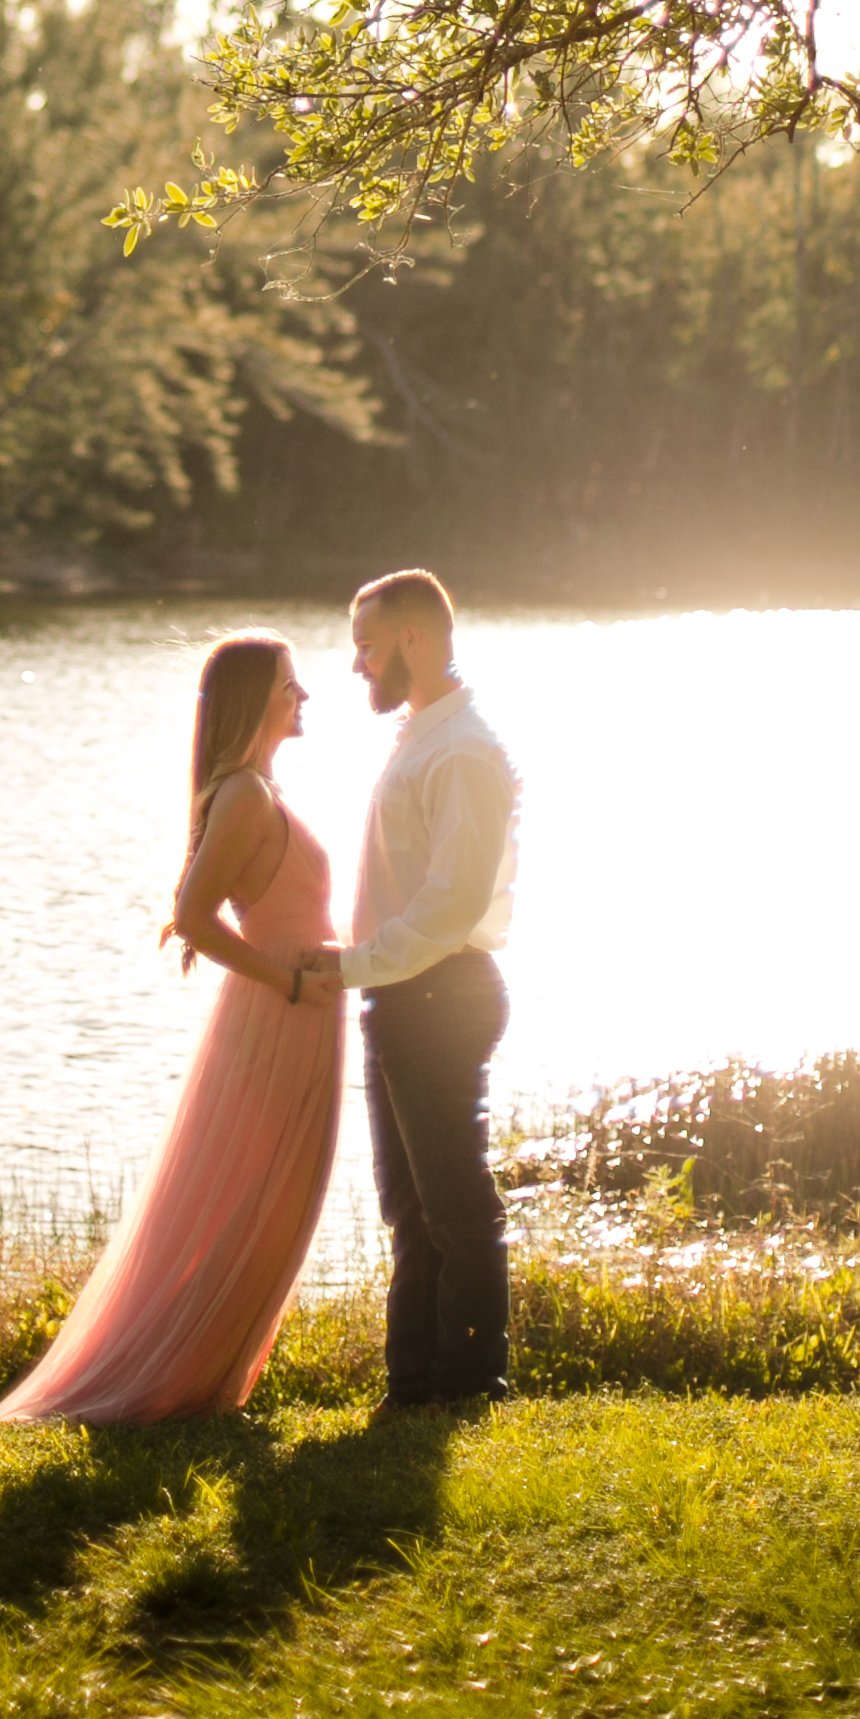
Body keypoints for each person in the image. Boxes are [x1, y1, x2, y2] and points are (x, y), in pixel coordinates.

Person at [0, 633, 342, 1424]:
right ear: (256, 701)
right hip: (277, 1012)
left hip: (303, 1010)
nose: (304, 696)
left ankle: (210, 1384)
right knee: (263, 1199)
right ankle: (175, 1382)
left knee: (280, 1198)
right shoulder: (245, 795)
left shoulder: (262, 791)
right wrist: (287, 980)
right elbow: (191, 916)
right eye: (291, 685)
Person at [305, 568, 519, 1416]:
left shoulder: (460, 750)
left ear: (411, 640)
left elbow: (450, 904)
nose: (355, 663)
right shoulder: (421, 737)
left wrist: (349, 964)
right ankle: (413, 1387)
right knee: (409, 1205)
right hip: (406, 993)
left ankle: (470, 1383)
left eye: (364, 644)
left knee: (454, 1202)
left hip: (438, 991)